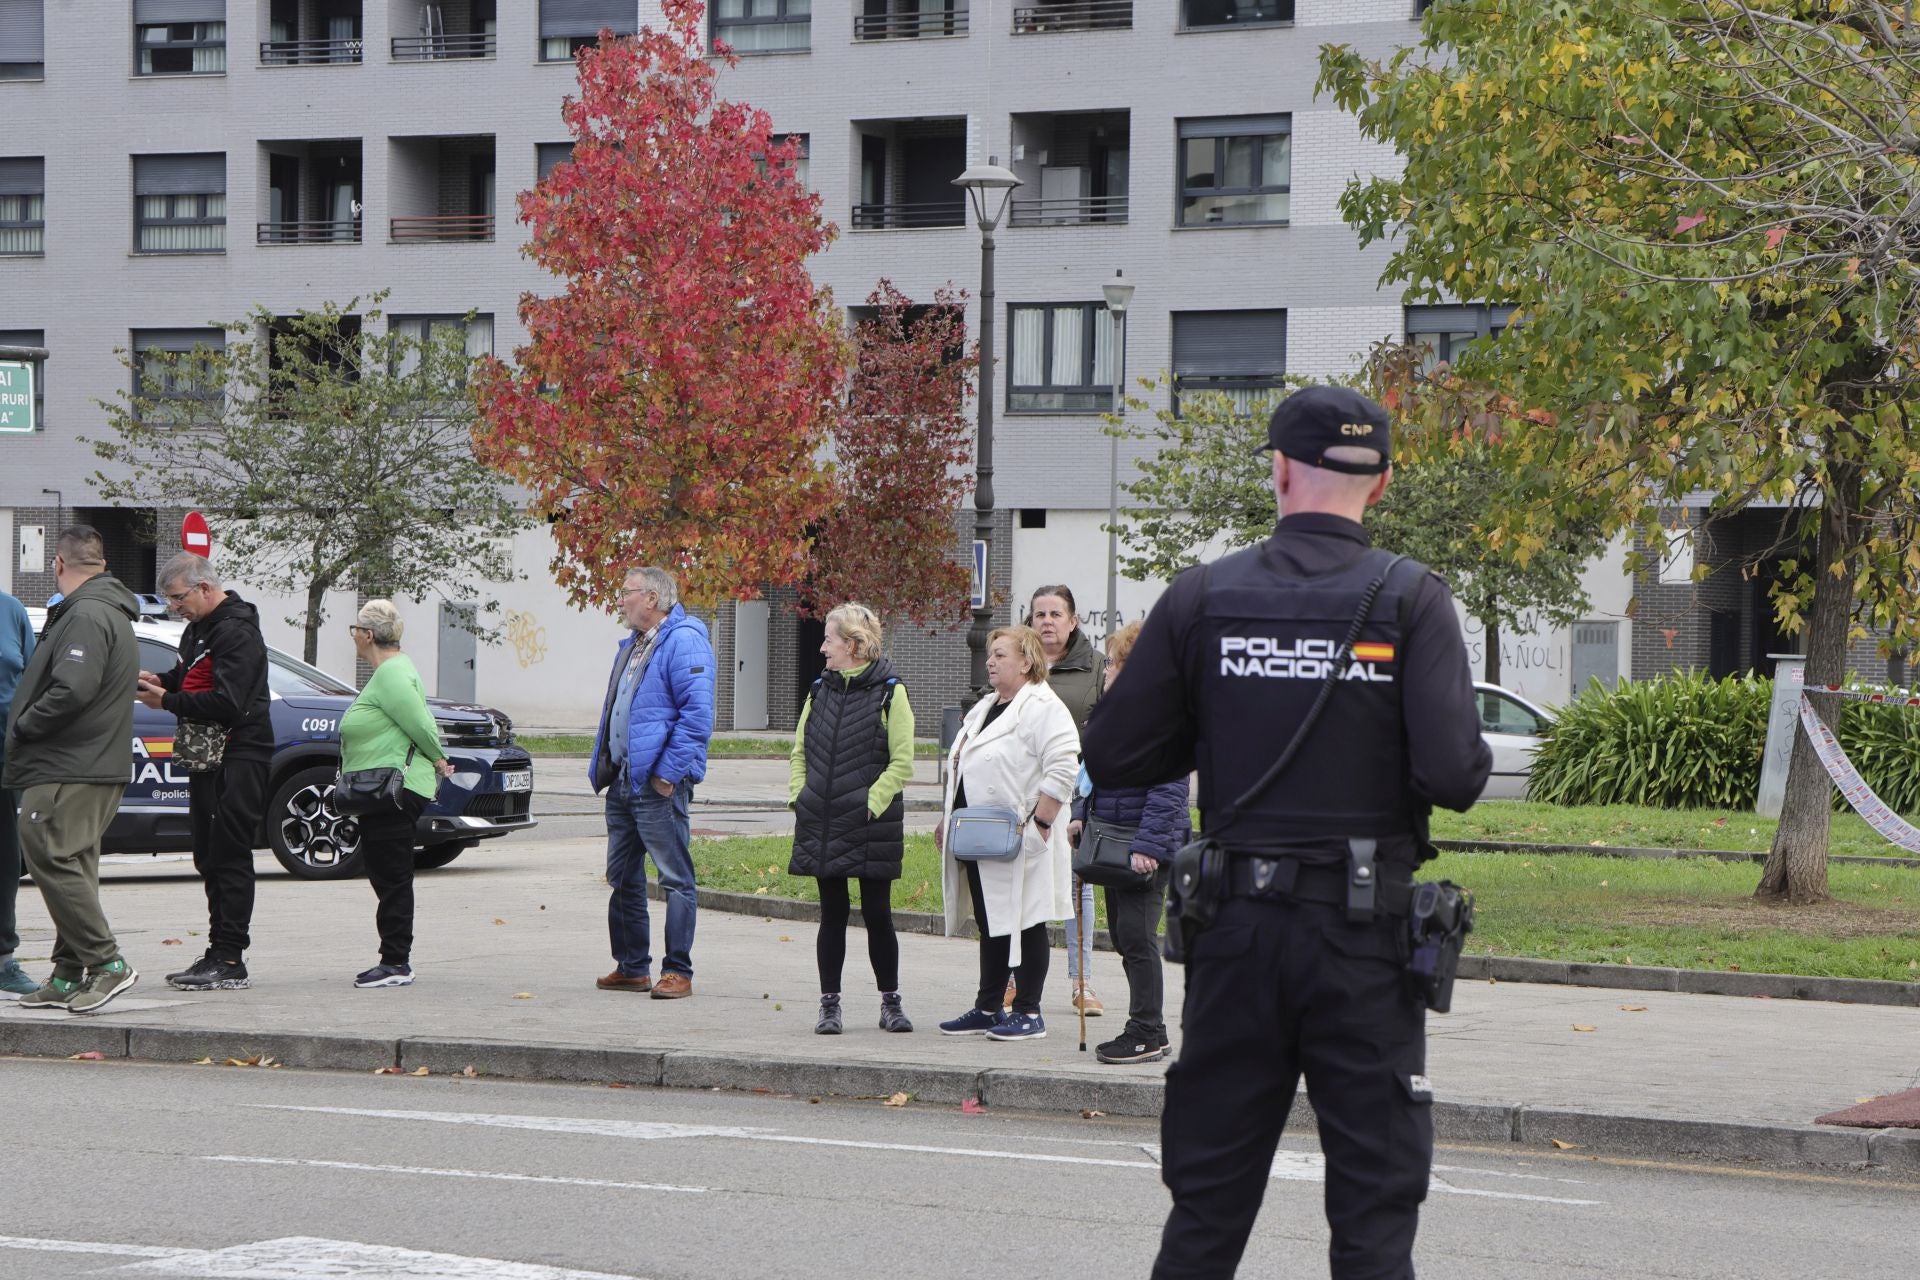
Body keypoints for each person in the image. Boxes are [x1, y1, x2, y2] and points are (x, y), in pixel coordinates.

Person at [1084, 384, 1492, 1280]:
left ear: (1278, 471)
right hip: (1364, 944)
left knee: (1206, 1211)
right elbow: (1457, 777)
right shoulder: (1412, 600)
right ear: (1380, 483)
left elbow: (1113, 754)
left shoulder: (1202, 597)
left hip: (1236, 938)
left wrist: (1217, 716)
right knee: (1374, 1220)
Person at [3, 526, 143, 1013]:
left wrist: (23, 725)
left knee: (46, 849)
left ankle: (108, 963)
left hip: (69, 763)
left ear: (59, 564)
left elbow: (72, 688)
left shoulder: (85, 613)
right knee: (73, 864)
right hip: (88, 761)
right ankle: (67, 973)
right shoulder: (104, 609)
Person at [935, 624, 1079, 1041]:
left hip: (1023, 836)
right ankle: (988, 1006)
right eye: (991, 654)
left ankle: (1029, 1012)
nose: (991, 662)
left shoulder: (1043, 707)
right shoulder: (987, 706)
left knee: (1027, 920)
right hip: (981, 835)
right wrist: (949, 817)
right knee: (992, 920)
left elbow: (1063, 767)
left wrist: (1041, 824)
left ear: (1027, 662)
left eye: (1000, 655)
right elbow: (963, 764)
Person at [136, 553, 271, 992]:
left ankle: (230, 958)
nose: (175, 607)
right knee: (209, 855)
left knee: (230, 854)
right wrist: (161, 681)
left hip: (240, 754)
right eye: (170, 600)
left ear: (205, 588)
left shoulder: (237, 632)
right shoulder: (199, 629)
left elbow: (229, 702)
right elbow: (191, 677)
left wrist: (167, 702)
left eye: (179, 598)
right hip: (208, 758)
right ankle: (217, 952)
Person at [787, 603, 916, 1035]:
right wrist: (799, 797)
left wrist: (869, 804)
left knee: (878, 913)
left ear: (854, 645)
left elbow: (902, 761)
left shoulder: (891, 692)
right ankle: (829, 1006)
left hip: (871, 823)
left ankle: (890, 1003)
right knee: (832, 913)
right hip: (822, 818)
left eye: (829, 640)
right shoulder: (818, 690)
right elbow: (799, 752)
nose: (822, 648)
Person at [589, 566, 715, 1000]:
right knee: (622, 876)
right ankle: (632, 967)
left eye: (627, 592)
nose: (620, 600)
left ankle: (677, 970)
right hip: (624, 782)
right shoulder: (635, 644)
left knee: (675, 879)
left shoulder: (684, 640)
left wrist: (666, 774)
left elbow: (697, 716)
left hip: (658, 786)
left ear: (652, 598)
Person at [1068, 621, 1188, 1065]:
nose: (1106, 671)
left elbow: (1169, 789)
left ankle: (1146, 1031)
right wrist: (1079, 815)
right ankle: (1150, 1029)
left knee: (1137, 936)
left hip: (1142, 848)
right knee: (1123, 936)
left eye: (1115, 664)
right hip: (1111, 842)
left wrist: (1148, 848)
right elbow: (1090, 774)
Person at [338, 600, 455, 989]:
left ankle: (396, 962)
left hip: (395, 790)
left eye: (355, 630)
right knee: (386, 872)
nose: (354, 636)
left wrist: (439, 758)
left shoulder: (392, 674)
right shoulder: (391, 671)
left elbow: (420, 723)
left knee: (392, 876)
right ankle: (394, 959)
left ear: (368, 635)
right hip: (384, 791)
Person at [1029, 584, 1105, 1017]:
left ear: (1073, 621)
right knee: (1026, 884)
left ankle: (1082, 982)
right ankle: (1017, 980)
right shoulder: (1020, 661)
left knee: (1079, 886)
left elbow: (1109, 725)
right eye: (1040, 614)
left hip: (1076, 792)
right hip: (1025, 792)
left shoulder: (1096, 667)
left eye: (1056, 614)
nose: (1047, 622)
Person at [0, 585, 37, 998]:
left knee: (6, 858)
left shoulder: (10, 610)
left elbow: (31, 682)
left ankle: (3, 961)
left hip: (5, 758)